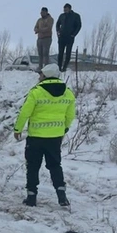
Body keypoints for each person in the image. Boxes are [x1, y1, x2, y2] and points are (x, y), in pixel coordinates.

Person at [13, 63, 75, 207]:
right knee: (55, 165)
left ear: (45, 76)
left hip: (36, 137)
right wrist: (64, 128)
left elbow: (25, 112)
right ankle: (61, 195)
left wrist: (18, 129)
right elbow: (70, 114)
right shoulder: (68, 92)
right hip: (55, 137)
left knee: (33, 166)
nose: (39, 76)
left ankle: (31, 197)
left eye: (40, 74)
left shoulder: (36, 91)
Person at [55, 3, 82, 72]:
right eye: (64, 9)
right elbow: (57, 24)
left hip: (70, 37)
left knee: (68, 53)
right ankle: (59, 67)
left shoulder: (75, 16)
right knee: (60, 53)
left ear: (70, 9)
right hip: (62, 37)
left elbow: (78, 26)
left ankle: (65, 67)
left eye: (66, 9)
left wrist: (73, 34)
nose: (65, 11)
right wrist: (58, 32)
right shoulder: (62, 16)